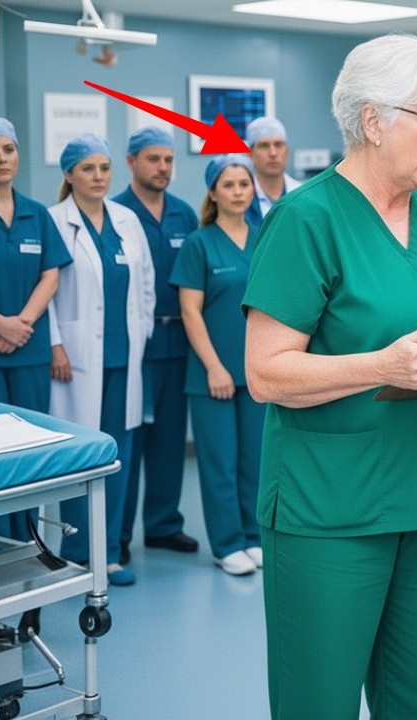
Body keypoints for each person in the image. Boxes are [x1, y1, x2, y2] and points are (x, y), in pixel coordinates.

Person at [242, 34, 417, 720]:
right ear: (373, 120)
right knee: (319, 702)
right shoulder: (307, 219)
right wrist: (382, 366)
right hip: (333, 507)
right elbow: (266, 374)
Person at [0, 116, 70, 557]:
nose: (2, 158)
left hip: (27, 352)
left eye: (9, 149)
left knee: (26, 453)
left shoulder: (36, 214)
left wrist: (21, 323)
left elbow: (51, 276)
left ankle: (26, 552)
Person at [47, 133, 156, 587]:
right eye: (87, 168)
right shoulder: (54, 220)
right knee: (80, 459)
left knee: (118, 458)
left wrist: (143, 331)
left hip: (124, 356)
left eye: (104, 168)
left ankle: (108, 554)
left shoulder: (127, 220)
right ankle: (76, 554)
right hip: (75, 360)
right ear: (69, 174)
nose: (98, 177)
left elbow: (146, 285)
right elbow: (47, 290)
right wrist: (54, 344)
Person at [169, 155, 262, 575]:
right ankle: (227, 545)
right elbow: (190, 312)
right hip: (213, 375)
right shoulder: (199, 244)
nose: (239, 191)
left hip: (258, 370)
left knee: (255, 460)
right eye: (229, 184)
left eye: (245, 183)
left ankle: (254, 537)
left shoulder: (264, 238)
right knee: (219, 463)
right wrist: (214, 367)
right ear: (213, 192)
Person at [112, 126, 200, 565]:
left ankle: (164, 525)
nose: (163, 167)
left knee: (168, 440)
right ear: (131, 162)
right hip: (135, 344)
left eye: (168, 160)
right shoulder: (115, 213)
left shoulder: (185, 214)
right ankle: (119, 534)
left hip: (179, 341)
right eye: (153, 159)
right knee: (131, 438)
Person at [244, 116, 302, 227]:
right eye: (264, 146)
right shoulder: (240, 199)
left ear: (287, 151)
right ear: (249, 154)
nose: (273, 153)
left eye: (278, 145)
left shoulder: (300, 194)